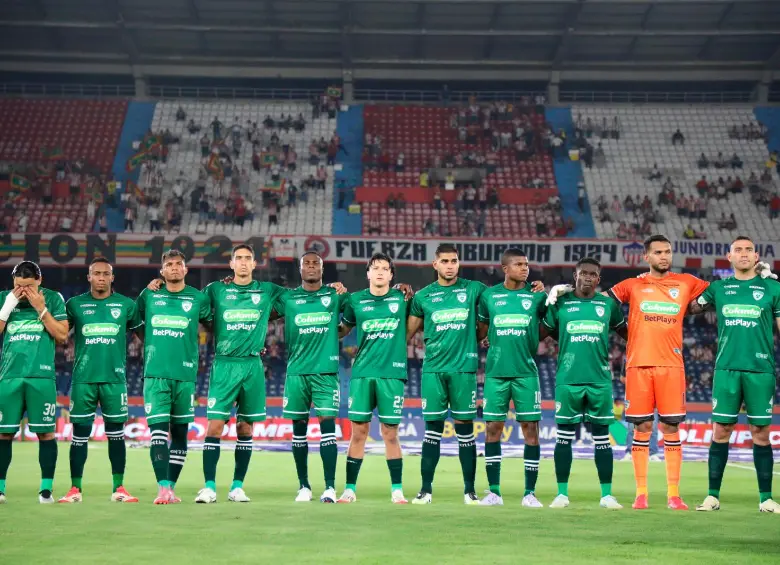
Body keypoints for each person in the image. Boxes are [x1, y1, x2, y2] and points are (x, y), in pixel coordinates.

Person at [689, 237, 780, 513]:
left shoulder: (772, 287)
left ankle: (766, 499)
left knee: (761, 433)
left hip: (760, 370)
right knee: (721, 431)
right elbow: (692, 306)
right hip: (726, 369)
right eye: (738, 250)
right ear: (729, 256)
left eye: (748, 250)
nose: (743, 254)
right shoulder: (719, 288)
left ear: (756, 257)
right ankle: (712, 496)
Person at [194, 245, 288, 504]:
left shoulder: (267, 291)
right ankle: (209, 487)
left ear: (255, 264)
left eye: (248, 258)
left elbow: (301, 296)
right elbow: (193, 303)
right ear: (232, 264)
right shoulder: (216, 289)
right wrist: (160, 284)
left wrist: (331, 288)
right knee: (214, 426)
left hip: (252, 365)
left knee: (245, 427)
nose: (244, 263)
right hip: (224, 364)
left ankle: (237, 487)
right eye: (239, 258)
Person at [542, 258, 627, 509]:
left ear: (598, 279)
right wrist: (545, 301)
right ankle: (561, 494)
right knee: (564, 438)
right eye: (583, 273)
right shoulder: (561, 303)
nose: (587, 277)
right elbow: (538, 334)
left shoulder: (608, 305)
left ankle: (607, 495)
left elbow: (629, 334)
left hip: (600, 380)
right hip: (568, 379)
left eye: (593, 274)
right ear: (575, 275)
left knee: (602, 438)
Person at [405, 244, 486, 504]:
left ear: (459, 263)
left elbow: (502, 298)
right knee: (432, 431)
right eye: (445, 261)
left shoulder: (473, 289)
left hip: (464, 370)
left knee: (465, 431)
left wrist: (535, 286)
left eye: (454, 261)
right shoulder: (424, 296)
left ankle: (469, 491)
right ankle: (425, 490)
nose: (450, 265)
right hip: (434, 371)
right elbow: (407, 332)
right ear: (435, 264)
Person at [57, 258, 142, 504]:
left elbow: (144, 335)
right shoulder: (75, 305)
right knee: (79, 437)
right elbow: (61, 334)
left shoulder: (126, 305)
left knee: (116, 436)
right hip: (84, 379)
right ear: (89, 277)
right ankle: (75, 489)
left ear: (112, 277)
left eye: (106, 273)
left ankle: (119, 488)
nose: (102, 277)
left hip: (115, 380)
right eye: (97, 273)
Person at [135, 250, 212, 504]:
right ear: (162, 271)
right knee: (158, 432)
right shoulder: (149, 295)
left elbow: (214, 325)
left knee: (180, 433)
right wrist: (154, 347)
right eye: (169, 264)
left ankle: (170, 486)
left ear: (186, 269)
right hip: (156, 374)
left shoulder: (198, 298)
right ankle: (161, 488)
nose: (175, 268)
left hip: (185, 375)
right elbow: (136, 325)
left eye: (179, 264)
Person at [272, 252, 349, 503]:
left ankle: (329, 487)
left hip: (325, 373)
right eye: (307, 263)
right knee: (299, 431)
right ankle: (303, 486)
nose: (312, 267)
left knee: (328, 428)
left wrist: (338, 332)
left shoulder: (335, 295)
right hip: (296, 373)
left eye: (316, 263)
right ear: (301, 269)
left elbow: (359, 309)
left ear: (323, 269)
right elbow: (259, 305)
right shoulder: (288, 298)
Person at [336, 253, 410, 504]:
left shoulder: (403, 298)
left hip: (392, 374)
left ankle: (397, 490)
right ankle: (349, 489)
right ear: (368, 273)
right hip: (363, 374)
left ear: (391, 275)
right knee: (358, 433)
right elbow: (340, 331)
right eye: (375, 268)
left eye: (385, 268)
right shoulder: (355, 300)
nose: (379, 271)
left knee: (390, 433)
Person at [476, 249, 547, 508]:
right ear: (505, 268)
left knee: (531, 431)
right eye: (518, 264)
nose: (524, 268)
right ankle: (494, 492)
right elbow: (481, 330)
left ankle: (530, 493)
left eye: (526, 264)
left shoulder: (536, 295)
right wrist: (487, 338)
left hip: (527, 373)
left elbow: (547, 327)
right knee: (492, 429)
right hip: (495, 373)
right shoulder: (490, 295)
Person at [0, 261, 69, 504]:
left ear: (39, 281)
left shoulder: (53, 299)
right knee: (3, 434)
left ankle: (46, 490)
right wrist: (6, 308)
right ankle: (0, 489)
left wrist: (41, 309)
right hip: (9, 377)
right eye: (18, 286)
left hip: (41, 377)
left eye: (29, 287)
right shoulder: (5, 298)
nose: (23, 292)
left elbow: (62, 335)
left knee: (46, 434)